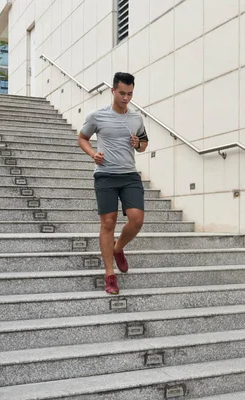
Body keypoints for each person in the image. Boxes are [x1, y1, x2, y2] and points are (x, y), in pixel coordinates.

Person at [78, 72, 149, 294]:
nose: (126, 98)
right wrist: (92, 154)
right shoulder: (97, 116)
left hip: (129, 175)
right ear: (112, 91)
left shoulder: (136, 118)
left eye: (130, 94)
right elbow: (82, 138)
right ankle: (110, 275)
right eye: (122, 93)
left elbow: (144, 144)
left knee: (136, 220)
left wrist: (138, 144)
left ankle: (118, 248)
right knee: (108, 223)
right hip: (105, 175)